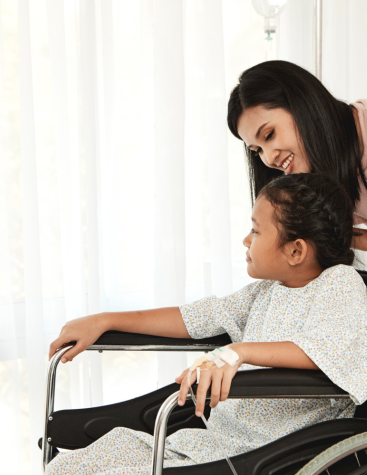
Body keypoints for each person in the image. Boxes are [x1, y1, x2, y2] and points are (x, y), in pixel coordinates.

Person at [47, 174, 367, 475]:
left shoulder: (339, 283)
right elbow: (193, 319)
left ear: (295, 250)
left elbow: (327, 350)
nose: (245, 239)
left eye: (255, 231)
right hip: (210, 443)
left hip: (267, 453)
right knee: (69, 467)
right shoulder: (267, 290)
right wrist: (105, 320)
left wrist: (237, 352)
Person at [227, 60, 367, 250]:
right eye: (257, 150)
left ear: (302, 104)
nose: (269, 158)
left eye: (269, 135)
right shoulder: (327, 168)